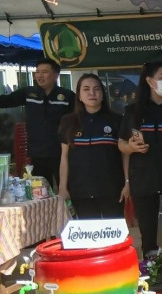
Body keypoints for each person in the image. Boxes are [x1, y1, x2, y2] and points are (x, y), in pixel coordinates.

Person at [118, 62, 162, 256]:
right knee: (149, 235)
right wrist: (130, 147)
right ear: (149, 81)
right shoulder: (133, 112)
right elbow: (121, 144)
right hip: (143, 182)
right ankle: (152, 269)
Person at [57, 73, 126, 219]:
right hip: (80, 190)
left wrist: (128, 183)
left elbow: (125, 155)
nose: (92, 93)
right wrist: (62, 187)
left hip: (112, 189)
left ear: (102, 94)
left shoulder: (117, 120)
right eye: (86, 89)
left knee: (113, 231)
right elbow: (64, 157)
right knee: (88, 231)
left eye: (96, 89)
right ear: (79, 95)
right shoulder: (68, 121)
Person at [0, 58, 74, 188]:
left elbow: (79, 118)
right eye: (37, 72)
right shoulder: (29, 93)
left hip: (62, 153)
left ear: (56, 75)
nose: (39, 75)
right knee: (40, 191)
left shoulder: (67, 96)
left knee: (67, 189)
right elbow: (5, 101)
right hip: (37, 154)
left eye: (44, 72)